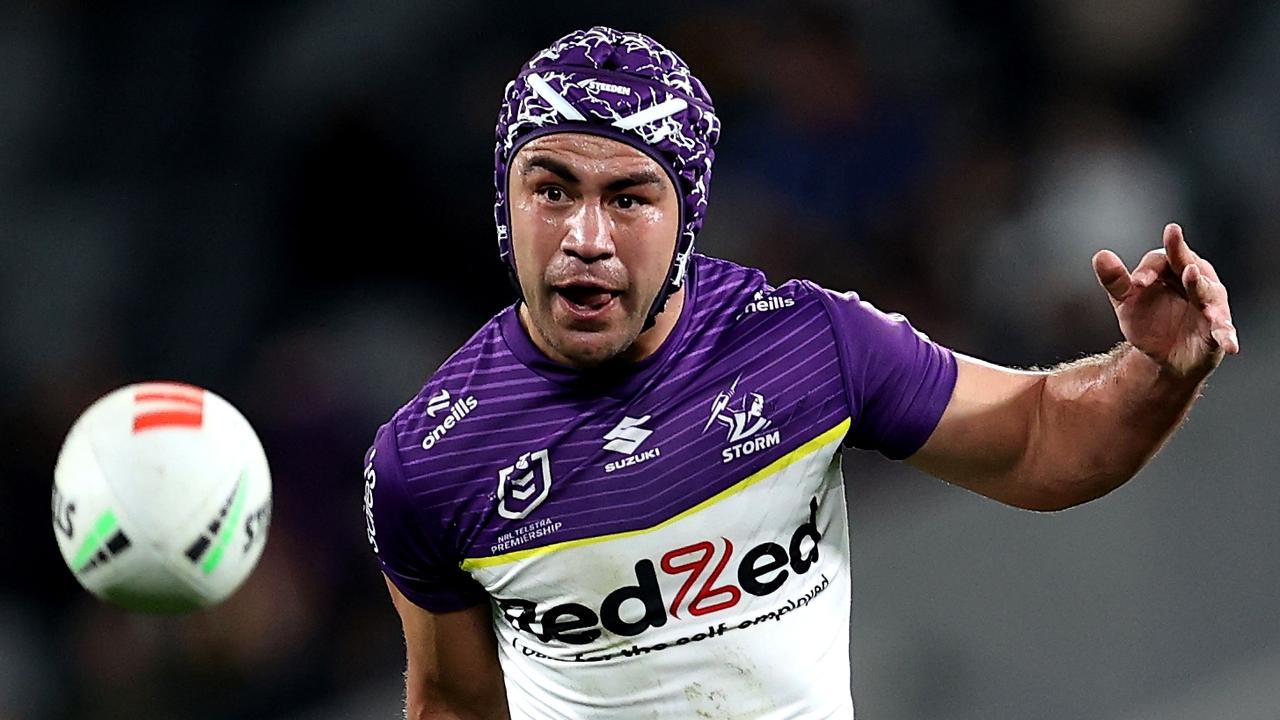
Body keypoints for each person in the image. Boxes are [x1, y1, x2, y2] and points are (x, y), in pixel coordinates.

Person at [362, 26, 1238, 720]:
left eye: (629, 198)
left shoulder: (807, 346)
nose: (585, 239)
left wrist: (1157, 370)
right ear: (504, 205)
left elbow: (1044, 441)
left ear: (688, 216)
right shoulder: (431, 460)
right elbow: (453, 706)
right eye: (550, 190)